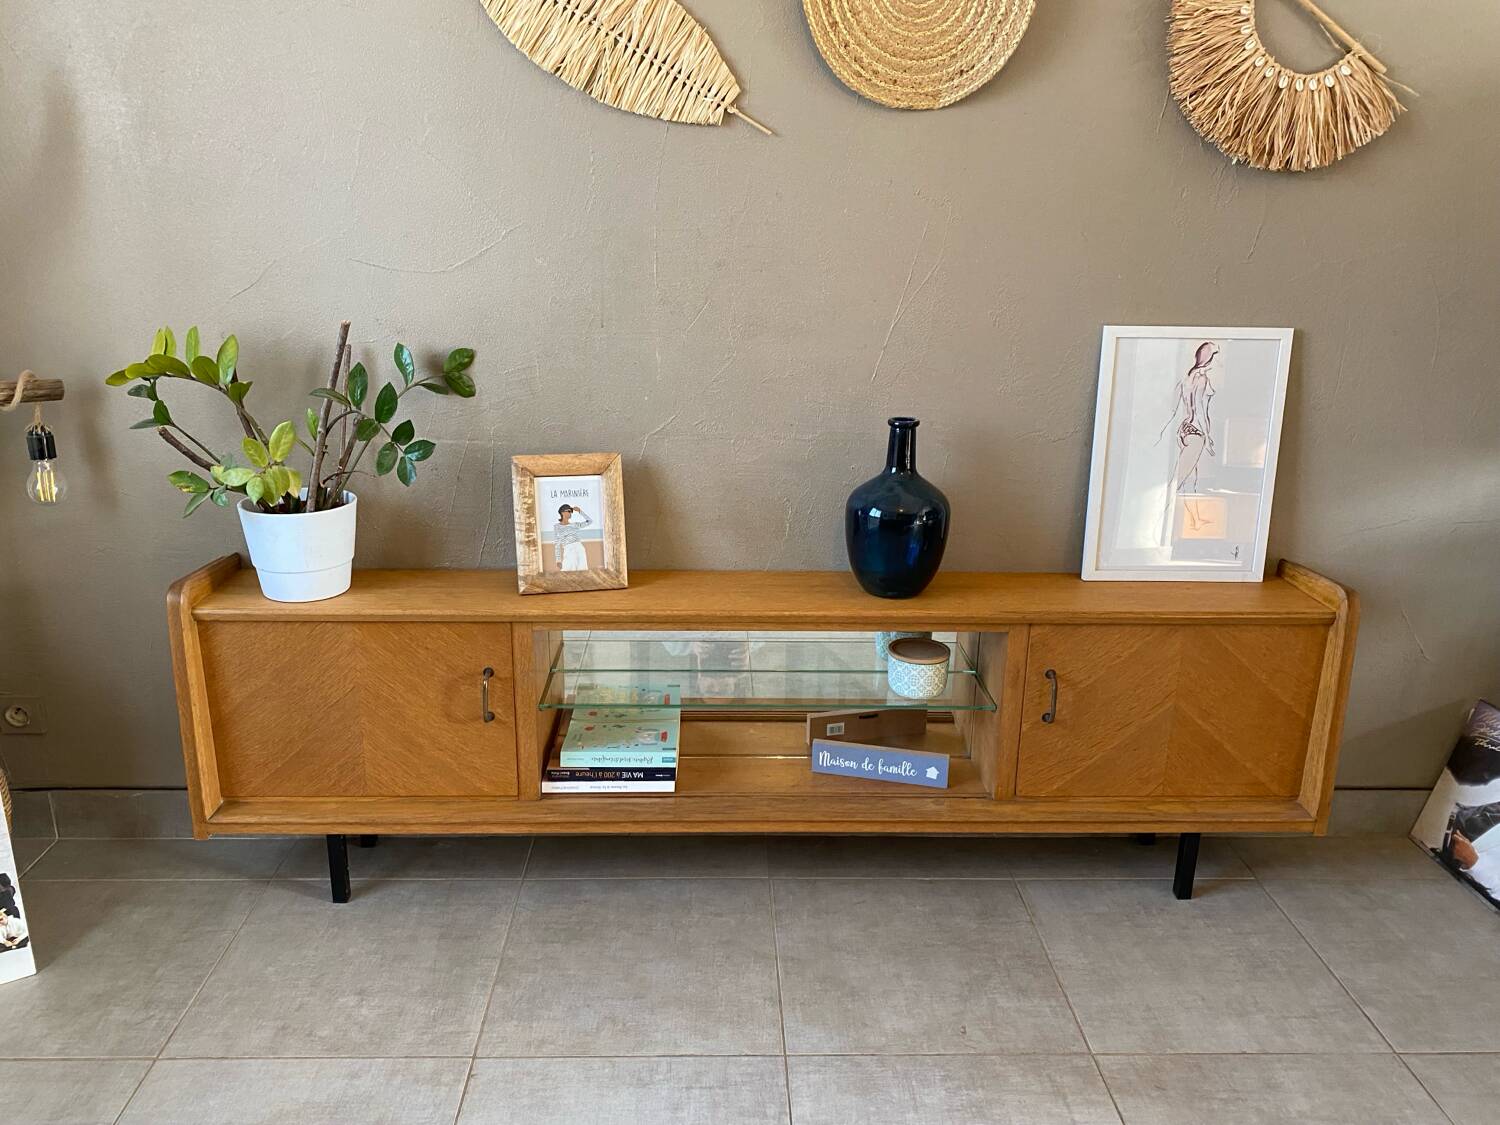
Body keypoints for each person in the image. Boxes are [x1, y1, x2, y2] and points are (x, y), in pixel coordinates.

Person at [553, 504, 592, 571]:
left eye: (571, 511)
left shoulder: (574, 525)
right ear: (562, 512)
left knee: (582, 572)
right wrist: (558, 560)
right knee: (567, 572)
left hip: (579, 548)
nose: (570, 512)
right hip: (568, 549)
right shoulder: (557, 527)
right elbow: (557, 544)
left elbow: (589, 521)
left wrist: (580, 511)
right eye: (568, 511)